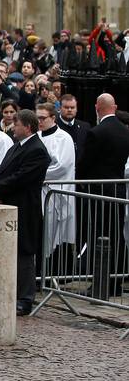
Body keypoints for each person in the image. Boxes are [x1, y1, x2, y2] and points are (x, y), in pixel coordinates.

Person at [0, 111, 50, 315]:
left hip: (25, 209)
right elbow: (3, 170)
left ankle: (25, 298)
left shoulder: (37, 151)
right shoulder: (17, 146)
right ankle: (8, 292)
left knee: (24, 253)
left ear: (28, 127)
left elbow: (21, 177)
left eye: (17, 124)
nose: (13, 127)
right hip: (7, 205)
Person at [75, 94, 129, 296]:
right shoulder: (123, 131)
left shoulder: (97, 132)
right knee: (116, 236)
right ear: (114, 107)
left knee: (100, 237)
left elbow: (85, 162)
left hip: (98, 190)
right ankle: (114, 282)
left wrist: (79, 180)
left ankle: (102, 285)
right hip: (116, 189)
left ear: (97, 107)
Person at [36, 103, 76, 259]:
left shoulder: (63, 138)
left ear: (53, 118)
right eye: (37, 118)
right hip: (38, 192)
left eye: (42, 118)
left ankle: (53, 270)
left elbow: (61, 166)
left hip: (57, 191)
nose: (39, 121)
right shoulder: (37, 137)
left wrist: (35, 175)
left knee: (55, 232)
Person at [56, 94, 90, 162]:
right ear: (59, 108)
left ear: (76, 109)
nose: (69, 110)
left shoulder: (85, 127)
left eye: (72, 107)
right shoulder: (53, 126)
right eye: (66, 107)